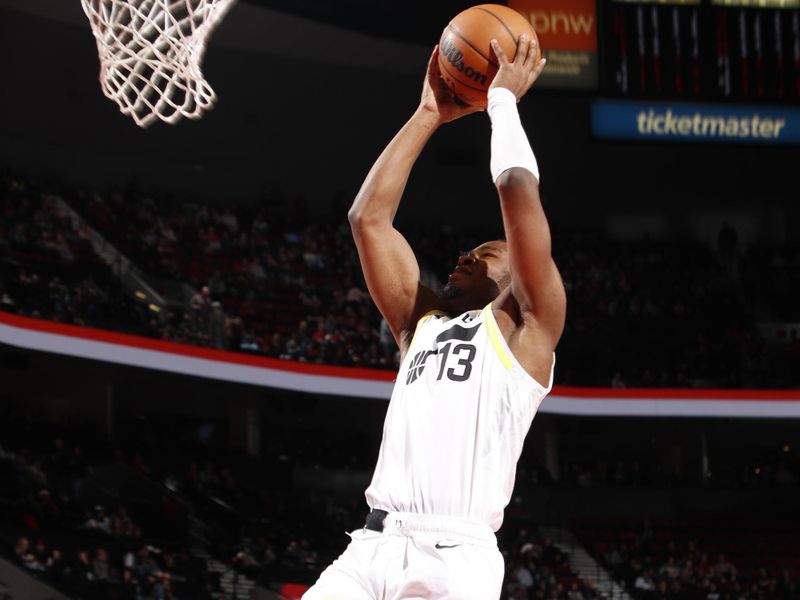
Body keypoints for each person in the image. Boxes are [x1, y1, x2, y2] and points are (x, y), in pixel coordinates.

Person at [304, 33, 565, 600]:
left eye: (486, 253)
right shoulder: (418, 322)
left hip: (455, 555)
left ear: (516, 273)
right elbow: (367, 219)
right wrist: (428, 113)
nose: (466, 255)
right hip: (371, 546)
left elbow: (518, 189)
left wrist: (501, 103)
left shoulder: (527, 327)